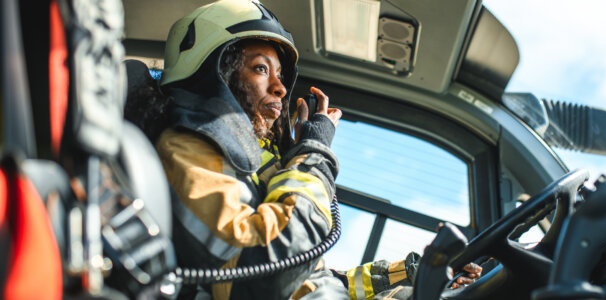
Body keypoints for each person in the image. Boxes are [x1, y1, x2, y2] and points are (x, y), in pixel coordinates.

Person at [124, 0, 480, 299]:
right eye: (261, 69)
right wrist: (312, 157)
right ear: (213, 73)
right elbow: (272, 267)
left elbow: (316, 283)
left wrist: (414, 273)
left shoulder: (248, 167)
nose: (280, 88)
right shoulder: (186, 147)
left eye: (280, 74)